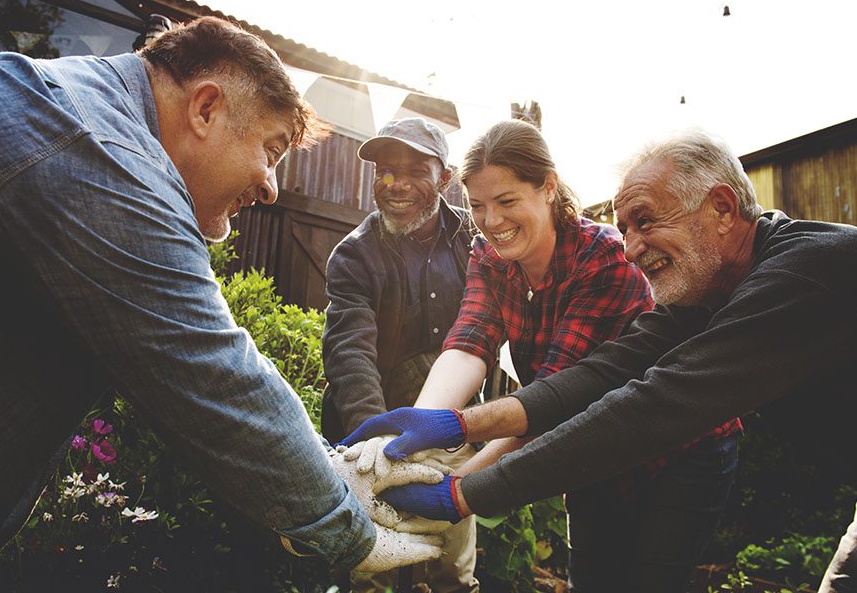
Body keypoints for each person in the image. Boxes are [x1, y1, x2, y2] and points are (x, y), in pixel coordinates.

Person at [0, 16, 443, 591]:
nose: (271, 187)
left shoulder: (87, 112)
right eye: (271, 149)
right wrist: (348, 531)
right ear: (206, 108)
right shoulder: (103, 152)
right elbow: (214, 373)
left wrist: (329, 467)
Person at [344, 129, 857, 592]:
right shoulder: (702, 293)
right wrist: (449, 424)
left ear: (722, 209)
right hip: (600, 448)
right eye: (625, 226)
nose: (632, 248)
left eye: (647, 222)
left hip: (673, 455)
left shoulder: (802, 274)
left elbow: (654, 404)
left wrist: (462, 493)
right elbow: (599, 374)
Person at [321, 116, 478, 591]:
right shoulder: (355, 256)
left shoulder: (473, 242)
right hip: (374, 427)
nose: (397, 184)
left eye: (415, 170)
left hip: (449, 428)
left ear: (444, 178)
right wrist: (376, 443)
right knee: (370, 566)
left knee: (451, 566)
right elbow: (350, 351)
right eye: (386, 170)